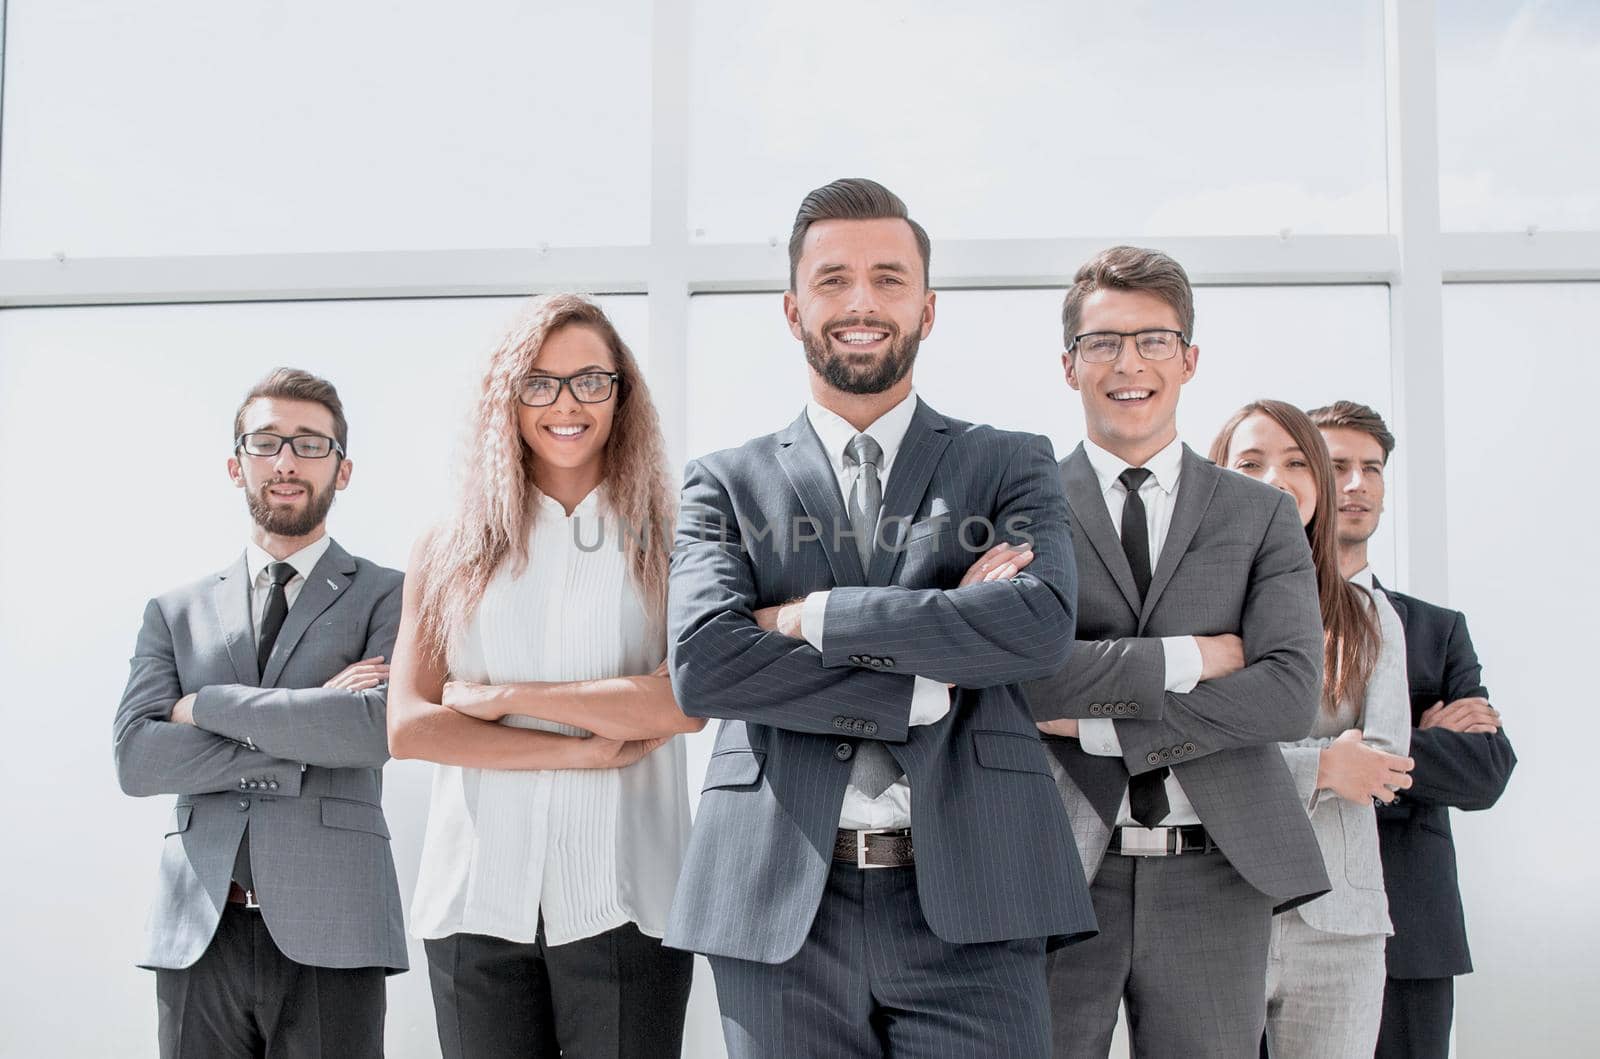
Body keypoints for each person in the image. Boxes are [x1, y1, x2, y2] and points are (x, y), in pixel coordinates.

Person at [665, 177, 1093, 1058]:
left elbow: (1038, 626)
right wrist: (933, 652)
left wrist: (807, 615)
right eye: (833, 280)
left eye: (889, 279)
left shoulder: (1009, 462)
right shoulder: (723, 481)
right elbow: (706, 665)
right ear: (792, 309)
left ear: (928, 308)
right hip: (778, 900)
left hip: (979, 897)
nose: (861, 302)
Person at [1023, 247, 1331, 1058]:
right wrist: (1196, 656)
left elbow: (1288, 694)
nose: (1129, 363)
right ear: (1069, 365)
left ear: (1189, 358)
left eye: (1153, 340)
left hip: (1217, 870)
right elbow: (1022, 681)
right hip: (1056, 868)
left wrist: (1097, 725)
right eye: (1103, 343)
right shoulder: (1021, 510)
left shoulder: (1261, 514)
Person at [387, 294, 701, 1058]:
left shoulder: (675, 538)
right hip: (474, 906)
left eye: (591, 380)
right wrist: (583, 744)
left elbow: (685, 700)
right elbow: (411, 726)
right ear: (509, 396)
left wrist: (503, 701)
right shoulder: (448, 545)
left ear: (622, 392)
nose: (567, 404)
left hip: (628, 902)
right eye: (540, 382)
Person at [113, 368, 406, 1058]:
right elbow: (137, 757)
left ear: (344, 468)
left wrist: (203, 705)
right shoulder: (174, 609)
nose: (285, 461)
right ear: (234, 463)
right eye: (267, 441)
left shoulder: (392, 595)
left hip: (337, 923)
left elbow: (374, 729)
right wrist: (311, 723)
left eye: (309, 444)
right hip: (198, 927)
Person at [1308, 400, 1517, 1059]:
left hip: (1411, 931)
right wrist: (1414, 741)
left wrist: (1365, 754)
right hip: (1282, 917)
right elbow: (1244, 748)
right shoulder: (1257, 620)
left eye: (1372, 468)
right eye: (1337, 465)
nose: (1357, 484)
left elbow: (1484, 772)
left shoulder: (1434, 629)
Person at [1210, 399, 1415, 1056]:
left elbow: (1382, 764)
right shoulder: (1184, 608)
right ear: (1216, 478)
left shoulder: (1369, 614)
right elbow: (1180, 749)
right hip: (1210, 910)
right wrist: (1323, 764)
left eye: (1298, 461)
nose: (1276, 476)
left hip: (1340, 919)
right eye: (1251, 461)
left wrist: (1251, 748)